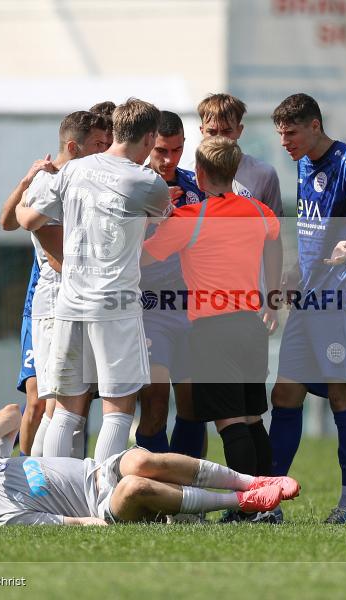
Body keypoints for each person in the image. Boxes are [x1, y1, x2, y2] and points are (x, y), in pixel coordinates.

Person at [16, 98, 171, 465]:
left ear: (115, 130)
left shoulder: (73, 170)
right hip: (114, 305)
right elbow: (160, 220)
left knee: (66, 410)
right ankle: (104, 496)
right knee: (118, 409)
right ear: (149, 138)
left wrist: (21, 199)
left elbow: (28, 220)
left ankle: (53, 496)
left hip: (69, 303)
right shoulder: (148, 181)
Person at [142, 135, 283, 523]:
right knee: (253, 418)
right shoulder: (258, 211)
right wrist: (272, 294)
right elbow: (275, 237)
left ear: (199, 174)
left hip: (212, 329)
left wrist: (156, 218)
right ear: (235, 171)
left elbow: (143, 258)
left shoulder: (191, 218)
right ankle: (270, 506)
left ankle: (251, 510)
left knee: (231, 422)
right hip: (250, 325)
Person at [268, 93, 346, 524]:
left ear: (315, 125)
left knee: (341, 394)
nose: (285, 142)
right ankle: (270, 501)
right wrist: (295, 273)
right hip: (309, 297)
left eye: (292, 133)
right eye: (281, 134)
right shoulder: (301, 165)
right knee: (284, 392)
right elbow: (312, 231)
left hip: (342, 298)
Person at [0, 404, 300, 526]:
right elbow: (75, 524)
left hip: (96, 471)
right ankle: (244, 502)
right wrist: (119, 516)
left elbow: (13, 413)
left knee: (141, 458)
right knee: (134, 487)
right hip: (103, 505)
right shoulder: (6, 515)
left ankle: (255, 480)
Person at [0, 109, 112, 456]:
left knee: (65, 403)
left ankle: (54, 480)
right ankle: (36, 482)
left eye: (108, 144)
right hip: (55, 304)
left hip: (72, 300)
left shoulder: (79, 182)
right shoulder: (52, 183)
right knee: (51, 404)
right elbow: (55, 255)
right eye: (98, 145)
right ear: (75, 146)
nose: (105, 153)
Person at [137, 111, 207, 458]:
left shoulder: (195, 186)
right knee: (154, 403)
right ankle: (153, 494)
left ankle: (188, 501)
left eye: (177, 150)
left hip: (192, 309)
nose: (169, 159)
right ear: (148, 144)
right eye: (162, 151)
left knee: (195, 406)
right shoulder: (131, 186)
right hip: (148, 310)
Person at [196, 93, 283, 216]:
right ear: (202, 131)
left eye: (227, 131)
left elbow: (274, 228)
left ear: (239, 130)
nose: (219, 138)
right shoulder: (188, 172)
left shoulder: (264, 174)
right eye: (212, 132)